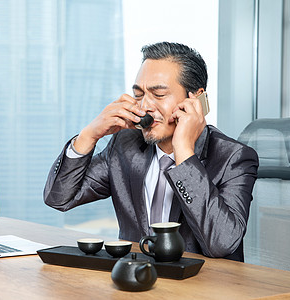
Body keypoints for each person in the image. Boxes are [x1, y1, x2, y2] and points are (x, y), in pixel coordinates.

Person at [43, 42, 258, 261]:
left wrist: (183, 151)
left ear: (195, 99)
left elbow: (221, 244)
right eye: (139, 95)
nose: (144, 107)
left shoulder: (234, 157)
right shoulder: (125, 146)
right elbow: (59, 198)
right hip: (138, 284)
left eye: (159, 95)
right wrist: (89, 135)